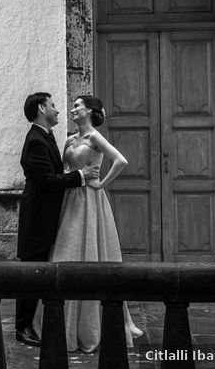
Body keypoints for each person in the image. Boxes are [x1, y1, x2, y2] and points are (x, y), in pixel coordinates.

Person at [50, 95, 144, 352]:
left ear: (90, 111)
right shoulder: (70, 140)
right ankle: (64, 326)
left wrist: (101, 184)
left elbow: (120, 161)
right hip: (71, 199)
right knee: (66, 252)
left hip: (91, 200)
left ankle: (90, 327)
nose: (72, 109)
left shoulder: (94, 137)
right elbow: (62, 171)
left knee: (91, 251)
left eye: (77, 106)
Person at [15, 92, 99, 347]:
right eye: (53, 106)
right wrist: (81, 176)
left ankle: (33, 322)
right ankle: (23, 327)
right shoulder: (36, 140)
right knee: (32, 270)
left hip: (49, 211)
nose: (58, 110)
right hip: (38, 215)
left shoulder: (46, 136)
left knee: (39, 267)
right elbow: (49, 181)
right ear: (42, 108)